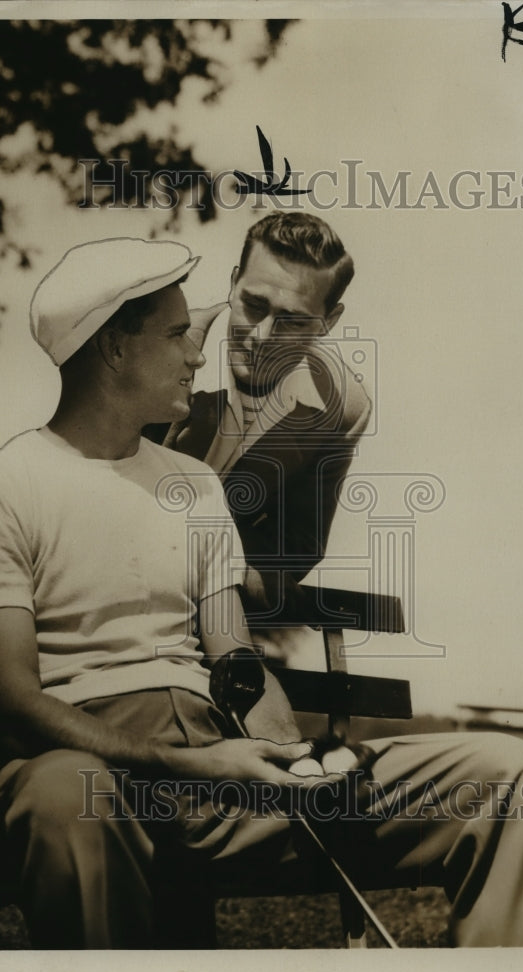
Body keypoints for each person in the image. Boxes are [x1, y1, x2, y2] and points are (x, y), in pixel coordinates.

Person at [0, 236, 523, 949]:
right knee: (65, 797)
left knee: (510, 775)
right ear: (115, 347)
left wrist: (293, 758)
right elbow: (11, 700)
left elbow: (236, 663)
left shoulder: (195, 487)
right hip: (95, 777)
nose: (197, 353)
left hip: (222, 779)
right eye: (179, 333)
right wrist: (184, 762)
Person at [149, 211, 369, 663]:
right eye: (253, 305)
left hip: (215, 626)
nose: (263, 336)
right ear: (232, 284)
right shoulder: (156, 348)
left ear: (329, 321)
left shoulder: (341, 407)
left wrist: (228, 569)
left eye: (293, 321)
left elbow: (299, 546)